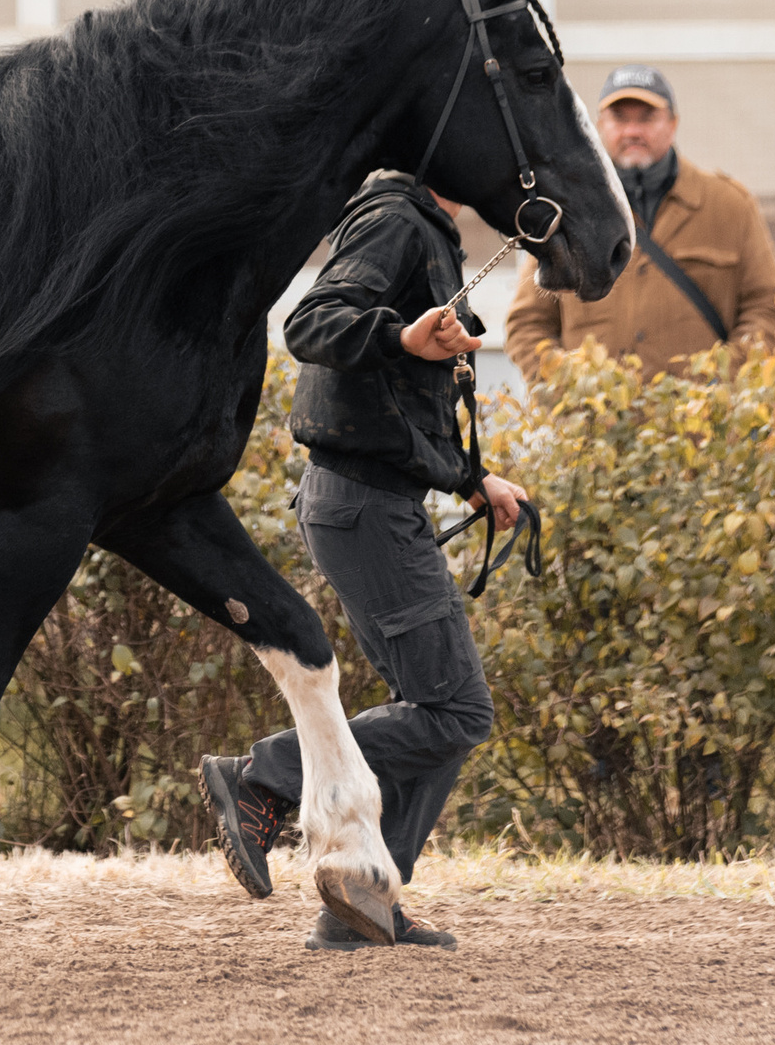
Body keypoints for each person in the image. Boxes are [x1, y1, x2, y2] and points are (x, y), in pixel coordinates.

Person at [197, 170, 528, 951]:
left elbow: (396, 403)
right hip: (364, 508)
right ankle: (267, 774)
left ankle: (364, 894)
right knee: (456, 711)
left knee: (437, 713)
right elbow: (312, 321)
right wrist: (403, 335)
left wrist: (470, 478)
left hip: (369, 501)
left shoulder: (427, 229)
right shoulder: (395, 218)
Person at [504, 65, 775, 382]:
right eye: (620, 118)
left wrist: (722, 388)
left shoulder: (730, 207)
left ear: (673, 124)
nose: (632, 131)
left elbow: (766, 309)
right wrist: (567, 393)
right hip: (595, 430)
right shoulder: (565, 212)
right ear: (598, 126)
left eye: (646, 118)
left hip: (702, 429)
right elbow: (527, 323)